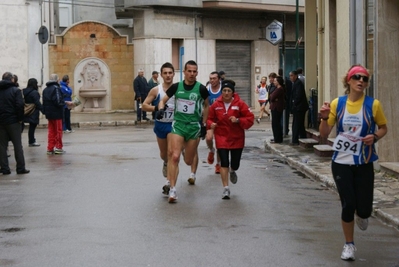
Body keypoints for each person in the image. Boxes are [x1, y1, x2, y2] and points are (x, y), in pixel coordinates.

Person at [319, 65, 388, 261]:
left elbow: (384, 128)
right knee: (348, 204)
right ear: (348, 80)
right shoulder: (337, 104)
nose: (361, 81)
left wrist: (374, 136)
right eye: (357, 77)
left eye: (365, 79)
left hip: (364, 162)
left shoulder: (373, 105)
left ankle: (362, 213)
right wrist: (323, 118)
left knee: (364, 209)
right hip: (341, 162)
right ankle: (349, 244)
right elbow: (324, 134)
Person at [157, 60, 209, 203]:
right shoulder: (176, 87)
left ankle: (188, 154)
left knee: (188, 161)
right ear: (184, 72)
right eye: (189, 71)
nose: (192, 74)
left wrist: (204, 124)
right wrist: (161, 109)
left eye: (194, 71)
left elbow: (207, 106)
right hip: (178, 125)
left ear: (197, 73)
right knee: (174, 157)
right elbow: (163, 100)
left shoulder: (201, 89)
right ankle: (173, 190)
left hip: (193, 127)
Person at [207, 80, 254, 199]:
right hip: (221, 137)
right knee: (224, 162)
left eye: (229, 91)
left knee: (235, 163)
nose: (226, 93)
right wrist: (211, 124)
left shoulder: (240, 104)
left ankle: (233, 171)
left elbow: (250, 118)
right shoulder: (216, 105)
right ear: (221, 92)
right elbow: (209, 119)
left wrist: (238, 120)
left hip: (236, 138)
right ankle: (225, 188)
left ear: (233, 93)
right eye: (224, 91)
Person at [142, 63, 176, 194]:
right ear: (161, 75)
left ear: (173, 74)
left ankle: (169, 183)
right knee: (164, 154)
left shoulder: (178, 89)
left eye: (170, 73)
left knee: (171, 153)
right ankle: (165, 163)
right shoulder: (156, 90)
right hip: (161, 124)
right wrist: (156, 108)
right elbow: (144, 105)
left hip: (174, 124)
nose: (168, 75)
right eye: (165, 73)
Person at [0, 72, 30, 174]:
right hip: (13, 121)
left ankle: (4, 168)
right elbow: (20, 105)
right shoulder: (16, 91)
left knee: (2, 146)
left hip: (1, 122)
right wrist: (20, 119)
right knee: (17, 145)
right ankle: (20, 168)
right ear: (11, 79)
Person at [43, 74, 71, 155]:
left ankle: (50, 148)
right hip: (57, 113)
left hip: (49, 113)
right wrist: (65, 102)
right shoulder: (56, 89)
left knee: (51, 131)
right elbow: (58, 102)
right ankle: (59, 147)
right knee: (58, 131)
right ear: (56, 80)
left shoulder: (45, 89)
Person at [205, 71, 222, 174]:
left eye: (214, 78)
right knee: (209, 138)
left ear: (219, 79)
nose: (212, 80)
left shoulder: (223, 90)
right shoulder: (207, 90)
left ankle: (218, 164)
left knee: (220, 144)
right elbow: (204, 104)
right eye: (210, 78)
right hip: (210, 118)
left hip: (221, 120)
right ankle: (211, 150)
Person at [22, 78, 43, 146]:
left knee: (24, 126)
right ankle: (31, 141)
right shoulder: (34, 92)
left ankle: (29, 140)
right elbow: (37, 102)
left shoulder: (24, 91)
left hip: (25, 110)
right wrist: (43, 110)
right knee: (32, 127)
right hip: (33, 111)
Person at [289, 70, 308, 145]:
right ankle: (302, 137)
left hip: (300, 107)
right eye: (290, 76)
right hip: (298, 107)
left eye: (292, 75)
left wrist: (294, 103)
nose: (291, 77)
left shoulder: (298, 83)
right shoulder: (295, 83)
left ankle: (295, 140)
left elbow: (298, 95)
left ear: (296, 76)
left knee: (296, 123)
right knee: (299, 124)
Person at [269, 76, 285, 143]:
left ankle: (278, 138)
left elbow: (272, 97)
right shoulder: (277, 88)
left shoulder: (280, 89)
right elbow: (271, 96)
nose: (274, 82)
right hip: (274, 107)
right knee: (274, 123)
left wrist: (273, 98)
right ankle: (276, 137)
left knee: (276, 124)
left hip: (277, 108)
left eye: (275, 81)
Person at [278, 68, 292, 136]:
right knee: (286, 118)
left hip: (282, 102)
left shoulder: (279, 81)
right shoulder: (288, 81)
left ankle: (283, 130)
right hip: (287, 102)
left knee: (281, 118)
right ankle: (285, 130)